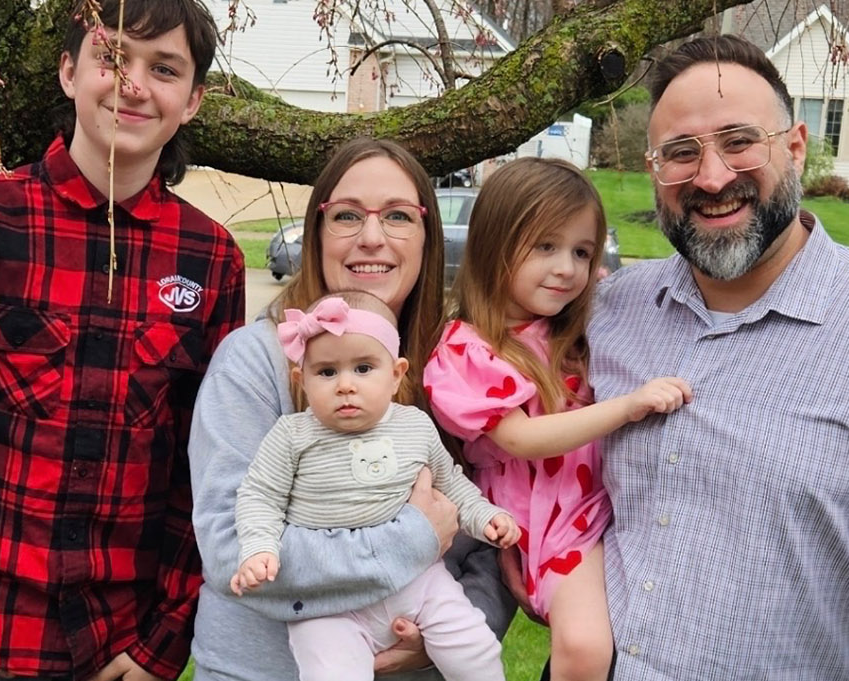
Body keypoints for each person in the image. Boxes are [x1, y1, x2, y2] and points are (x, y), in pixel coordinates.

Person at [585, 34, 849, 679]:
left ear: (797, 146)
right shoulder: (610, 314)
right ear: (653, 169)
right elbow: (509, 470)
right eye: (681, 153)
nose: (712, 177)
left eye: (740, 141)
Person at [0, 0, 245, 681]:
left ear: (192, 100)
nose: (134, 84)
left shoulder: (211, 262)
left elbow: (207, 473)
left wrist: (165, 640)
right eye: (113, 57)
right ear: (71, 70)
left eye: (163, 69)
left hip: (123, 647)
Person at [188, 137, 517, 681]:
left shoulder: (455, 362)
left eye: (397, 216)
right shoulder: (256, 362)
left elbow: (494, 524)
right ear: (316, 234)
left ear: (426, 237)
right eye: (346, 215)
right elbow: (232, 549)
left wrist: (457, 627)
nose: (371, 238)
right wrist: (410, 541)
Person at [422, 157, 692, 681]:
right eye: (546, 246)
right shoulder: (464, 350)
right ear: (494, 243)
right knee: (586, 647)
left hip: (603, 509)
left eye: (581, 251)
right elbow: (521, 438)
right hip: (554, 526)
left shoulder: (573, 335)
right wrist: (626, 407)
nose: (568, 268)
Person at [230, 291, 519, 681]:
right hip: (328, 599)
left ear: (397, 374)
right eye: (327, 372)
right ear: (302, 379)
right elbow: (260, 496)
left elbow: (451, 484)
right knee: (333, 671)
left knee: (474, 648)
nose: (345, 385)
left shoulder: (415, 426)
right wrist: (260, 547)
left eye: (363, 368)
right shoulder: (292, 435)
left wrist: (486, 516)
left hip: (419, 581)